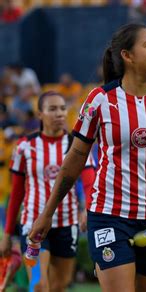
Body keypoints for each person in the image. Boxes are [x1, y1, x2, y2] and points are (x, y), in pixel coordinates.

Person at [28, 23, 146, 292]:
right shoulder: (99, 100)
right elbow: (74, 160)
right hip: (108, 216)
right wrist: (47, 214)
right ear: (127, 56)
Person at [0, 91, 96, 292]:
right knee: (39, 286)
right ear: (40, 115)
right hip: (33, 226)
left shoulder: (77, 145)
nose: (59, 113)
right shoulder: (25, 146)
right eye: (52, 109)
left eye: (62, 108)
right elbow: (17, 193)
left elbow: (89, 182)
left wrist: (88, 207)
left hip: (67, 224)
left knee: (58, 287)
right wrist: (8, 234)